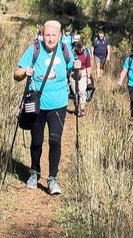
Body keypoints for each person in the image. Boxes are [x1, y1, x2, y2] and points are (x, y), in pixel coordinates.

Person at [14, 20, 73, 195]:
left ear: (59, 35)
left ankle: (52, 179)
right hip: (36, 104)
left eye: (54, 35)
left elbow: (74, 71)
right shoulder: (34, 49)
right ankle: (34, 172)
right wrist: (24, 72)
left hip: (59, 104)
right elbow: (16, 74)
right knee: (37, 141)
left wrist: (78, 68)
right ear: (42, 35)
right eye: (47, 35)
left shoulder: (65, 50)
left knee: (55, 141)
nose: (51, 38)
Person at [70, 37, 92, 117]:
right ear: (77, 47)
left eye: (83, 47)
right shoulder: (72, 53)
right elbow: (69, 65)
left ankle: (82, 109)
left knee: (82, 91)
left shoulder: (86, 53)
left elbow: (88, 66)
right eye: (80, 47)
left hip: (83, 73)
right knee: (75, 92)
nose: (81, 49)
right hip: (74, 73)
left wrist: (88, 78)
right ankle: (77, 108)